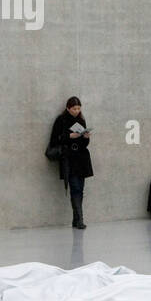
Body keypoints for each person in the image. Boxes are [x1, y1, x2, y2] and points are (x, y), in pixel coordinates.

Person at [49, 96, 93, 229]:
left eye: (79, 108)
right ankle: (80, 220)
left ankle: (76, 220)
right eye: (74, 108)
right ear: (68, 108)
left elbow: (85, 144)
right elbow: (54, 140)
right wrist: (69, 136)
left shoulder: (81, 120)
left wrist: (85, 137)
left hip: (81, 158)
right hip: (68, 158)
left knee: (80, 189)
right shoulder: (61, 120)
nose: (77, 111)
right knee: (75, 188)